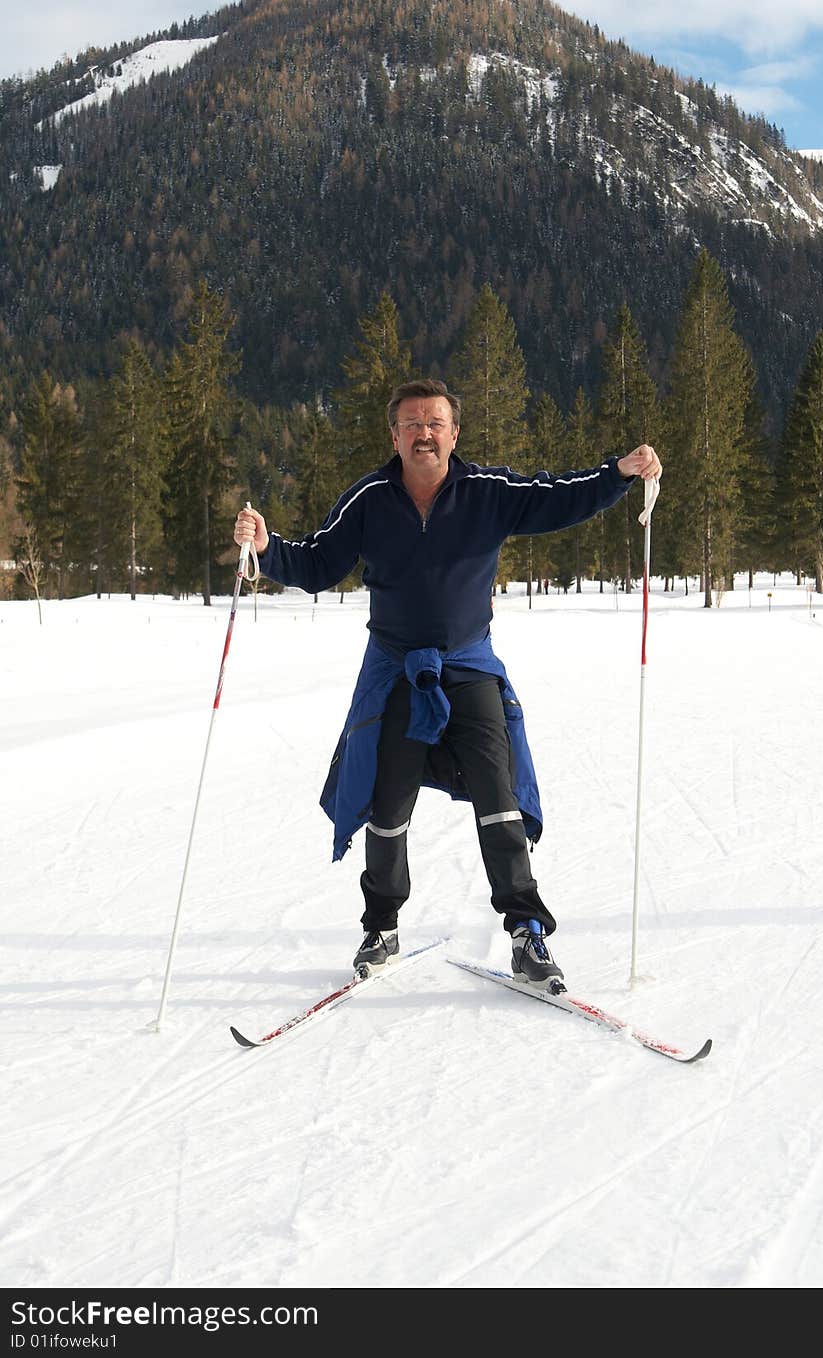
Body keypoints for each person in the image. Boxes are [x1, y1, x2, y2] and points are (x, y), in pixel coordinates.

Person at [233, 378, 661, 989]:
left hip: (469, 665)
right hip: (394, 669)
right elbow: (317, 562)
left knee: (499, 792)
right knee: (387, 804)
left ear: (454, 434)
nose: (424, 434)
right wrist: (267, 545)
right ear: (395, 436)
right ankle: (380, 926)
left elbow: (557, 497)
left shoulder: (487, 492)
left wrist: (617, 473)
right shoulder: (369, 500)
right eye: (412, 424)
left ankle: (525, 933)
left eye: (435, 423)